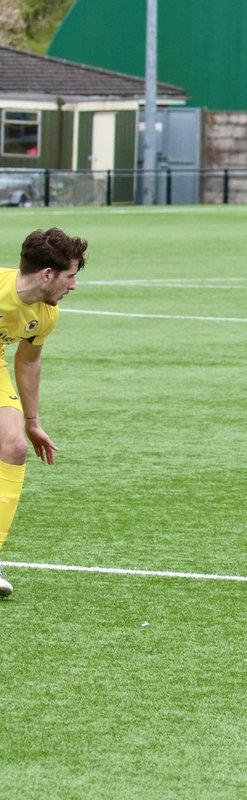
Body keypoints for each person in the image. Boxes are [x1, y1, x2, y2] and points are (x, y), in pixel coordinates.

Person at [0, 228, 85, 598]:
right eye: (71, 275)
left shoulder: (46, 313)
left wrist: (32, 422)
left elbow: (28, 360)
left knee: (14, 447)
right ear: (48, 274)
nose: (74, 286)